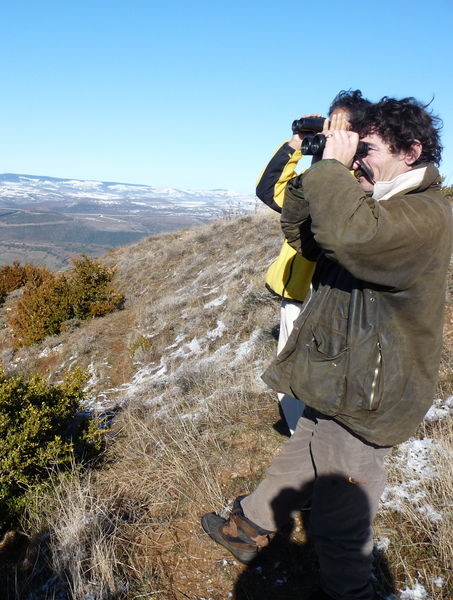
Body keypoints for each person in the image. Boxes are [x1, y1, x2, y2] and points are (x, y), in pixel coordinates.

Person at [202, 97, 451, 600]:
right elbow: (305, 236)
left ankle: (350, 593)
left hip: (369, 387)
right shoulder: (371, 196)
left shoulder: (427, 212)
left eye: (369, 148)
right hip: (339, 366)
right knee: (301, 451)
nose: (358, 158)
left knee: (341, 507)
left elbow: (353, 240)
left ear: (411, 151)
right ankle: (249, 525)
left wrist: (336, 169)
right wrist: (319, 168)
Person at [256, 90, 371, 435]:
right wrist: (298, 142)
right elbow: (269, 190)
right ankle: (302, 446)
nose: (330, 135)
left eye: (341, 128)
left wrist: (334, 163)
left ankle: (314, 449)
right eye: (329, 126)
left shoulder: (357, 184)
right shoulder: (316, 178)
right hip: (296, 295)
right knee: (292, 380)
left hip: (324, 299)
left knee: (312, 379)